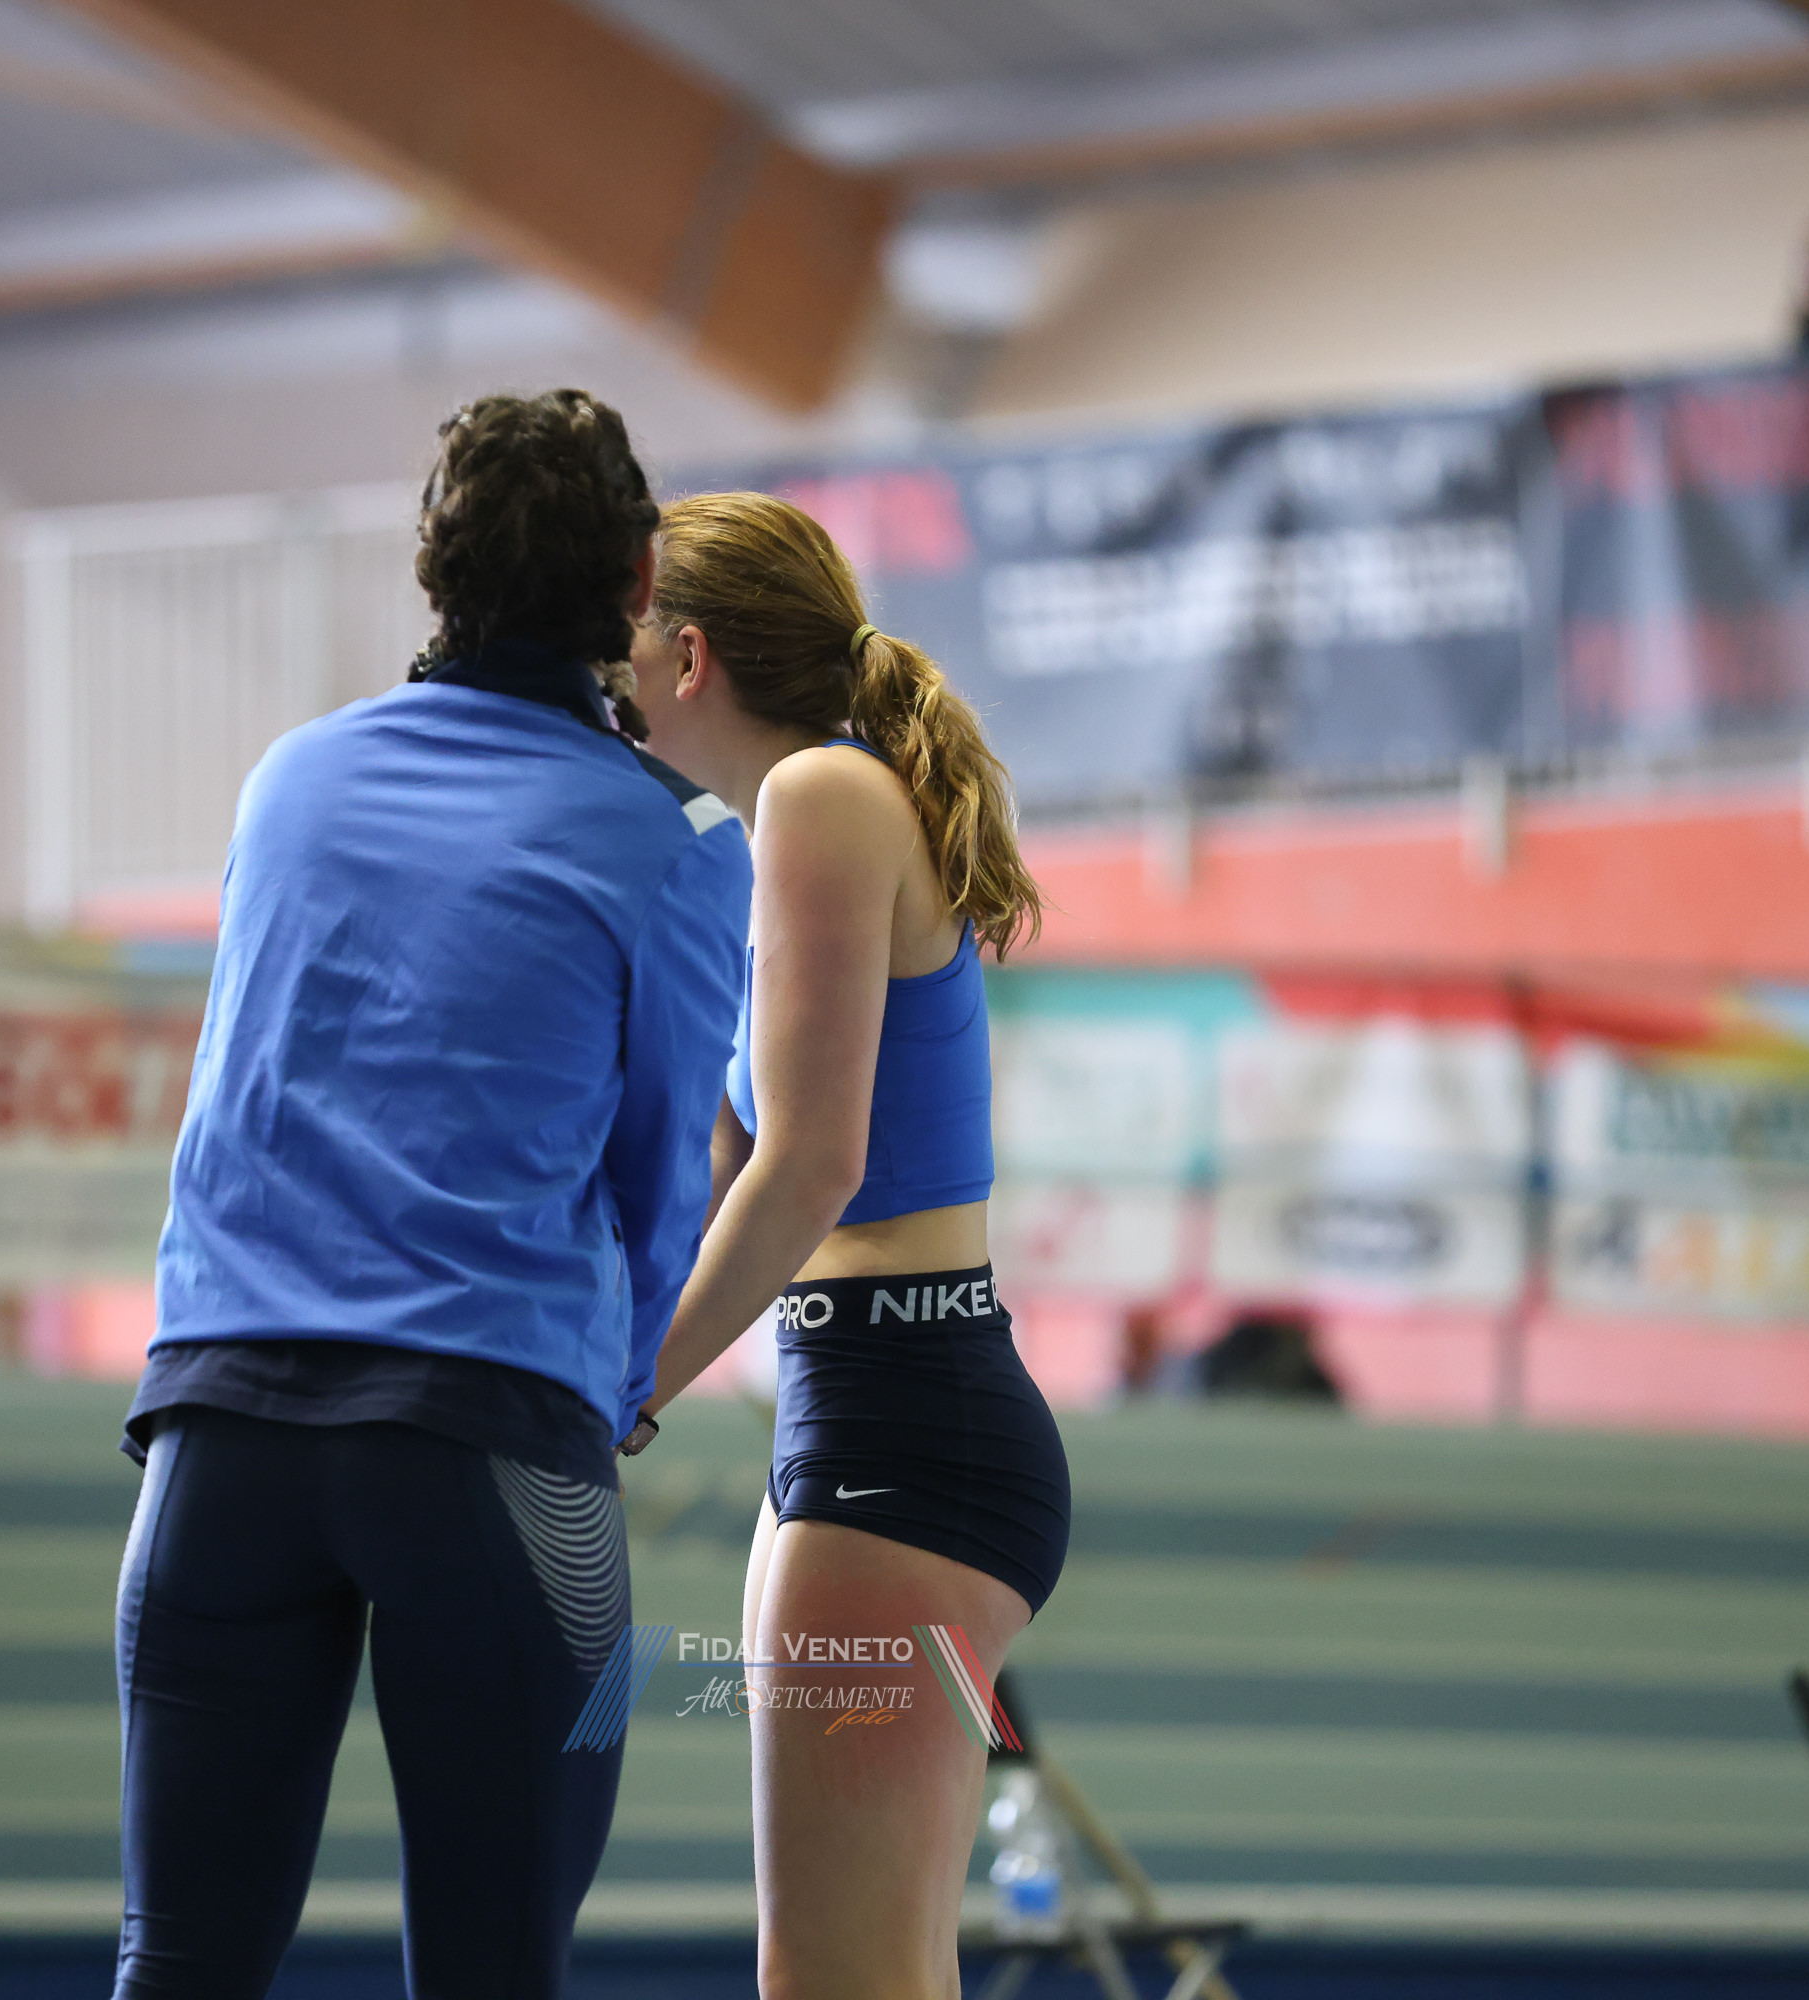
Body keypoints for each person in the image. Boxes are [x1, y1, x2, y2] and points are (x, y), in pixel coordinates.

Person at [109, 390, 752, 2000]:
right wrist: (621, 1390)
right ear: (636, 584)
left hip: (217, 1440)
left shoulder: (287, 782)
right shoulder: (681, 834)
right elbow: (664, 1176)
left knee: (174, 1967)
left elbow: (246, 1084)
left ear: (431, 571)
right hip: (499, 1449)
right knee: (496, 1971)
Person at [626, 491, 1065, 2000]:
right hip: (865, 1419)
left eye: (617, 646)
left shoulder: (824, 793)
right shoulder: (773, 826)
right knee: (865, 1973)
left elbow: (817, 1164)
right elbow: (727, 1164)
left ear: (690, 657)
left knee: (833, 1979)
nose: (600, 680)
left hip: (903, 1426)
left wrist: (623, 1393)